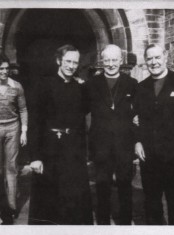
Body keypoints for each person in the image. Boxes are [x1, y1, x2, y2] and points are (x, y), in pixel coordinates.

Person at [28, 44, 93, 225]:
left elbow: (83, 117)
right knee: (49, 203)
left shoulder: (80, 88)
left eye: (75, 62)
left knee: (74, 203)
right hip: (49, 151)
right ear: (59, 61)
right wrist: (35, 157)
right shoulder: (43, 85)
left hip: (73, 152)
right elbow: (35, 123)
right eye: (68, 61)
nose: (71, 66)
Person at [134, 44, 174, 225]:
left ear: (165, 57)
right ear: (145, 61)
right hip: (150, 157)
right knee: (152, 204)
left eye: (157, 57)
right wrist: (137, 141)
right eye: (149, 59)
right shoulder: (141, 87)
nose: (153, 62)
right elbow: (136, 118)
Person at [85, 44, 137, 225]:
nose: (111, 64)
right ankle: (103, 224)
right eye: (107, 60)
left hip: (124, 144)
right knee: (102, 186)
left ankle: (124, 223)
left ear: (121, 61)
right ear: (102, 61)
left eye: (114, 60)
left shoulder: (132, 83)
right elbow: (80, 110)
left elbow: (139, 114)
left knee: (125, 185)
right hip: (101, 144)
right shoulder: (91, 84)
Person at [0, 54, 28, 224]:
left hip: (12, 128)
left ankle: (10, 208)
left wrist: (24, 131)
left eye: (6, 68)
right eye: (0, 69)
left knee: (11, 168)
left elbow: (23, 110)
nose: (4, 72)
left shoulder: (16, 86)